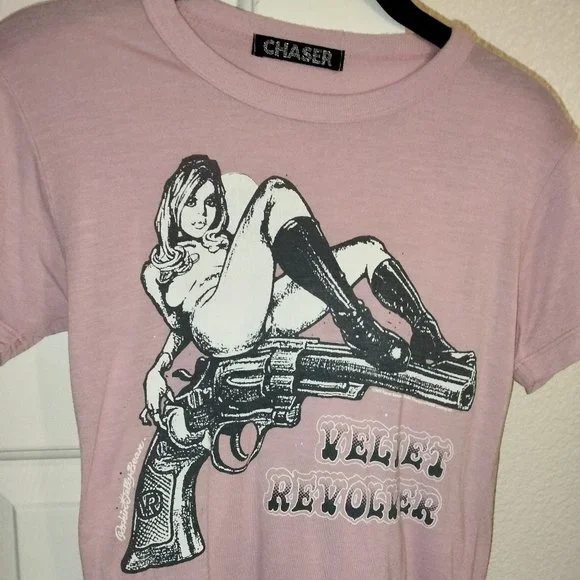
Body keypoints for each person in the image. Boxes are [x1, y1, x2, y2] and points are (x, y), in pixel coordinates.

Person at [139, 154, 470, 428]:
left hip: (261, 317)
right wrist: (159, 369)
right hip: (217, 327)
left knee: (368, 250)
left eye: (210, 201)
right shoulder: (156, 270)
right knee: (273, 191)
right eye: (191, 202)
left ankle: (426, 334)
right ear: (174, 203)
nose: (202, 213)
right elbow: (181, 328)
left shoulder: (225, 242)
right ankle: (356, 324)